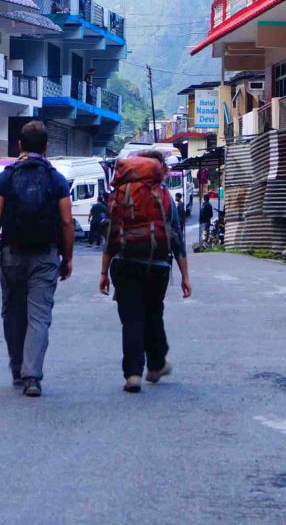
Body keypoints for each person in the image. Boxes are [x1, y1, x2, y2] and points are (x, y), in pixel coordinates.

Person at [0, 120, 74, 397]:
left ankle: (16, 368)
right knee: (39, 316)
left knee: (12, 313)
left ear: (19, 145)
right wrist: (67, 258)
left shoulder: (5, 177)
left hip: (12, 254)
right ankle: (32, 376)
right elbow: (67, 222)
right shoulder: (56, 179)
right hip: (46, 256)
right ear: (46, 147)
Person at [100, 150, 191, 393]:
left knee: (131, 319)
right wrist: (185, 275)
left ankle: (133, 375)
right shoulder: (164, 196)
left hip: (124, 262)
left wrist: (102, 272)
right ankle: (156, 363)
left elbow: (110, 235)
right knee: (153, 314)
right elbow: (176, 238)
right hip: (157, 265)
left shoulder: (120, 193)